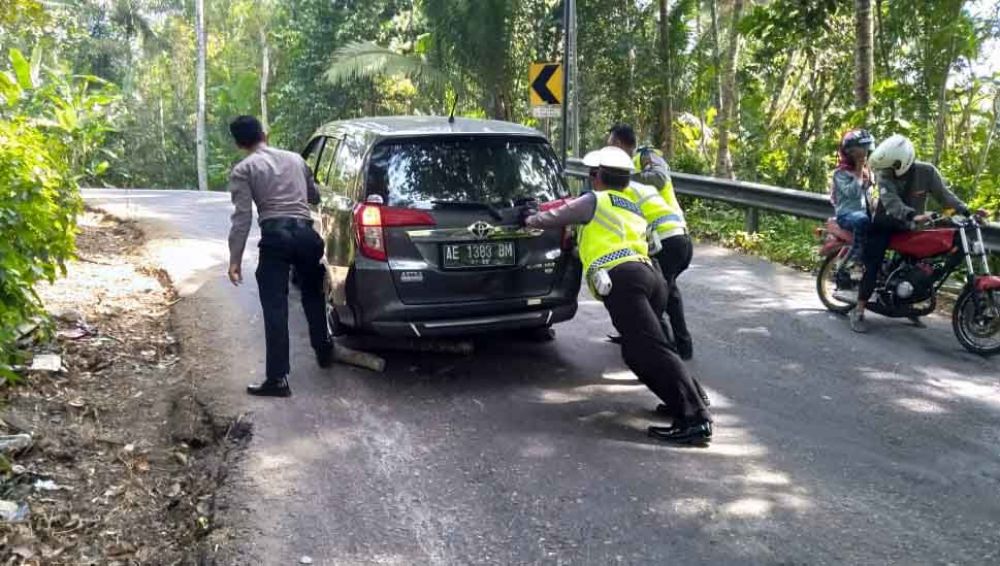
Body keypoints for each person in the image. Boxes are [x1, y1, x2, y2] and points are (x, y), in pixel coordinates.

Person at [522, 146, 713, 445]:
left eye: (592, 174)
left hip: (626, 281)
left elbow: (555, 216)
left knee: (651, 349)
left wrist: (530, 218)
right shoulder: (631, 205)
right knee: (638, 352)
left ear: (598, 176)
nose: (590, 179)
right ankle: (684, 399)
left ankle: (695, 418)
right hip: (651, 277)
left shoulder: (595, 200)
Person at [226, 115, 333, 396]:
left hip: (276, 239)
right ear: (264, 134)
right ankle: (324, 349)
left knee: (275, 306)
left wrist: (235, 259)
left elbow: (242, 218)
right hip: (306, 236)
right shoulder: (296, 159)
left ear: (239, 144)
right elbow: (314, 196)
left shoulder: (244, 169)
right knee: (313, 294)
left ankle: (277, 380)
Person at [850, 134, 980, 333]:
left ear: (903, 160)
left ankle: (908, 302)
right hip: (885, 225)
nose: (889, 169)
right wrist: (912, 215)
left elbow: (945, 196)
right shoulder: (886, 174)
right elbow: (891, 202)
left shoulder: (927, 172)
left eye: (893, 165)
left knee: (920, 266)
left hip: (911, 227)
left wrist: (967, 211)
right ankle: (859, 310)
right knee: (873, 265)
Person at [607, 124, 695, 360]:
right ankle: (681, 345)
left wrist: (622, 178)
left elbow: (658, 177)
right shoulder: (629, 169)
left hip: (668, 237)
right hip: (670, 238)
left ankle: (663, 351)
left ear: (618, 144)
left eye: (610, 145)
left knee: (654, 296)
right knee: (668, 291)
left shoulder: (646, 155)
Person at [830, 129, 876, 296]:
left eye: (866, 149)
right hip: (847, 215)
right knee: (862, 220)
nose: (864, 153)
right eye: (861, 149)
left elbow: (869, 194)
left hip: (863, 213)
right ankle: (854, 262)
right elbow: (853, 193)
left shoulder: (867, 172)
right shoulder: (840, 173)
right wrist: (858, 169)